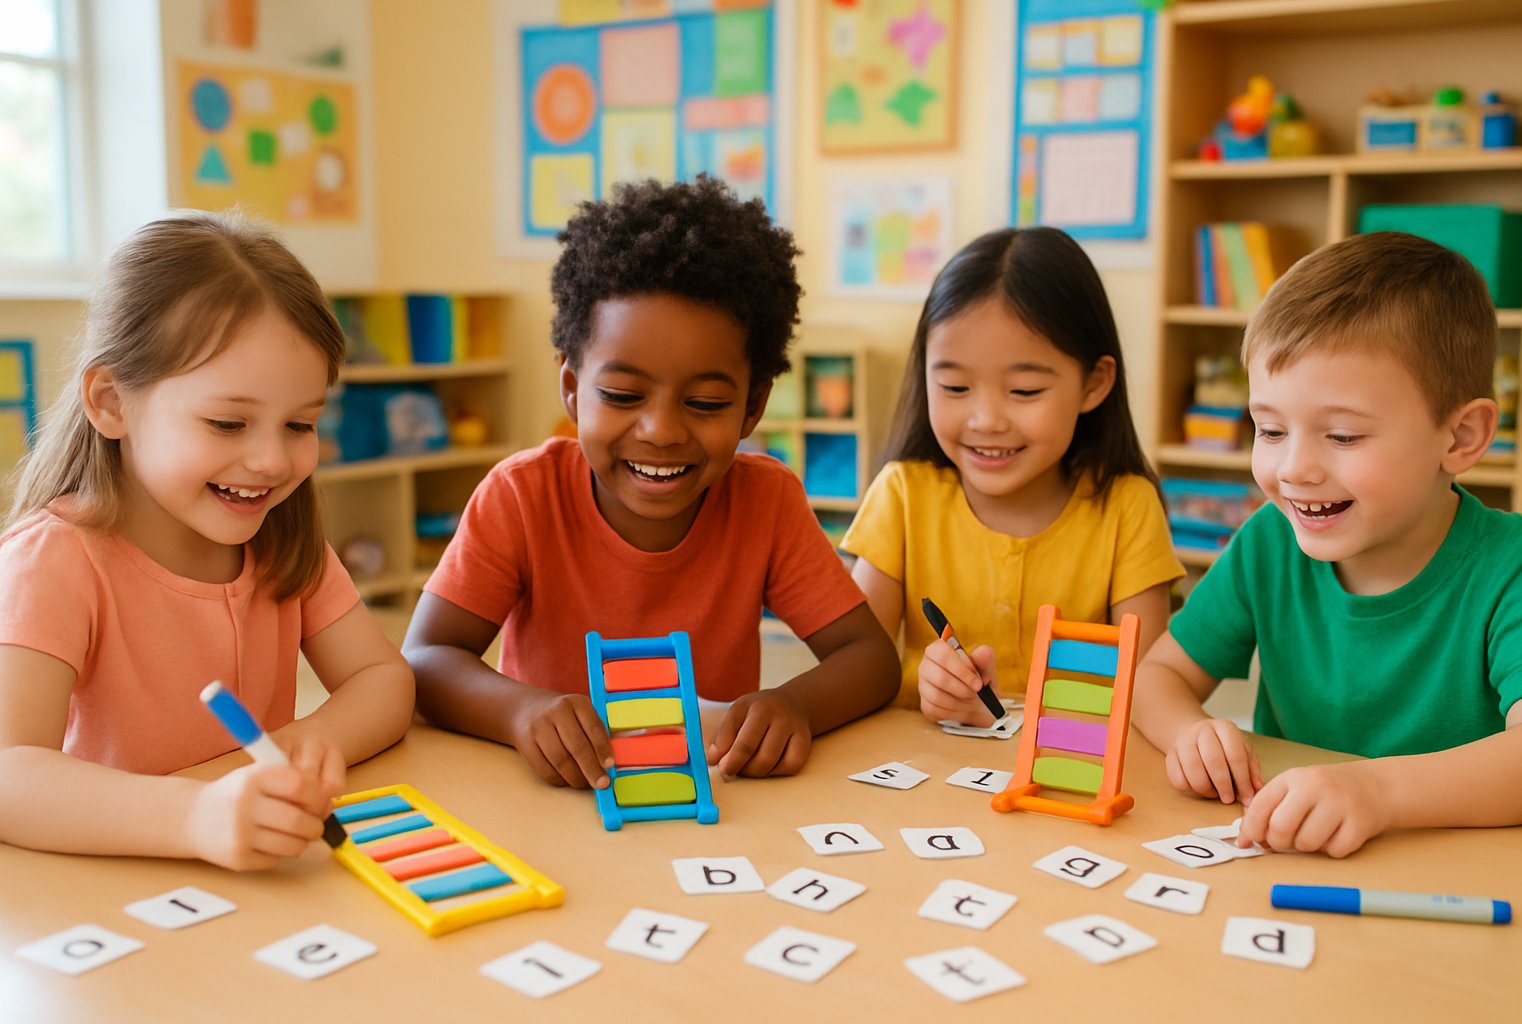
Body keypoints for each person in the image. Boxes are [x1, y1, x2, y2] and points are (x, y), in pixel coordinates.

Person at [406, 176, 899, 788]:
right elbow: (425, 660)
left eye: (706, 402)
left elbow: (870, 658)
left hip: (708, 800)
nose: (661, 431)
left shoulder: (764, 501)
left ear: (752, 407)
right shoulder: (521, 496)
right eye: (621, 395)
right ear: (571, 387)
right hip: (555, 803)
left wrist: (793, 705)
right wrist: (520, 710)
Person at [0, 212, 414, 870]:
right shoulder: (52, 561)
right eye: (228, 423)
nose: (272, 461)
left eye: (301, 424)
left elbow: (381, 678)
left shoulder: (284, 538)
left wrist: (308, 744)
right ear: (111, 403)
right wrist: (196, 817)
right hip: (107, 892)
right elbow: (10, 773)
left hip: (249, 883)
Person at [1133, 231, 1522, 857]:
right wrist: (1191, 731)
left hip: (1452, 876)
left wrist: (1379, 791)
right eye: (1268, 428)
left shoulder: (1516, 568)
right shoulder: (1269, 542)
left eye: (1343, 436)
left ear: (1460, 437)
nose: (1294, 468)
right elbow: (1155, 676)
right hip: (1293, 864)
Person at [842, 227, 1183, 724]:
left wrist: (1020, 717)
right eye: (955, 387)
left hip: (1070, 775)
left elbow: (1147, 695)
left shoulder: (1127, 506)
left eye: (1023, 391)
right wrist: (930, 687)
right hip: (926, 773)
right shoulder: (902, 495)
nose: (986, 420)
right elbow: (854, 668)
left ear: (1094, 383)